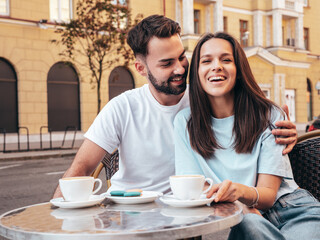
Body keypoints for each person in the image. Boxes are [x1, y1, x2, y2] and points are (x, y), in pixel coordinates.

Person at [53, 15, 297, 198]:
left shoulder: (205, 98)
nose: (180, 68)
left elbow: (250, 116)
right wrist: (55, 221)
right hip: (127, 208)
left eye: (181, 56)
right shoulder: (122, 108)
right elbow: (81, 169)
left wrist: (286, 132)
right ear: (141, 69)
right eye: (167, 63)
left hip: (183, 211)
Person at [174, 32, 320, 240]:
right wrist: (238, 203)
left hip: (294, 211)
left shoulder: (269, 114)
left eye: (226, 60)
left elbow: (268, 196)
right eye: (206, 61)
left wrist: (240, 194)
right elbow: (196, 188)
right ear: (197, 72)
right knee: (249, 223)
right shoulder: (185, 122)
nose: (216, 66)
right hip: (244, 218)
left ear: (239, 70)